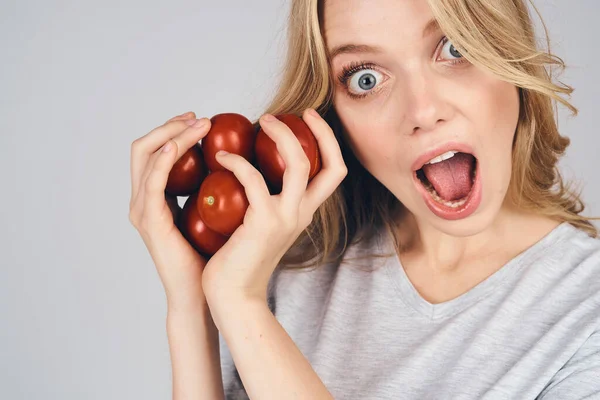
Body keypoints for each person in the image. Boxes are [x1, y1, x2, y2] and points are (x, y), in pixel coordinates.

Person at [128, 0, 600, 398]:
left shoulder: (585, 315)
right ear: (334, 118)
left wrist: (239, 302)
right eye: (366, 78)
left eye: (453, 48)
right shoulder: (283, 267)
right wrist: (193, 306)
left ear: (507, 51)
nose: (423, 111)